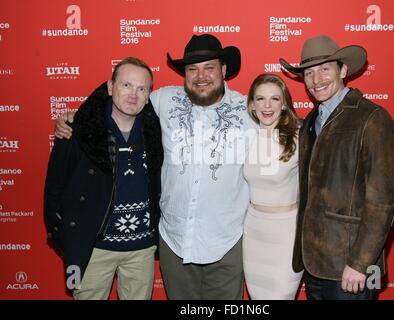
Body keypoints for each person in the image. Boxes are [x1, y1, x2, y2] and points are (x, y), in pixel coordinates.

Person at [55, 34, 257, 300]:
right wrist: (76, 118)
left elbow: (283, 123)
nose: (201, 76)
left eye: (209, 68)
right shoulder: (164, 100)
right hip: (174, 242)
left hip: (227, 241)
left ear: (224, 70)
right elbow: (123, 96)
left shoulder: (248, 110)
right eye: (192, 69)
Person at [279, 35, 394, 300]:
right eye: (309, 73)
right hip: (315, 263)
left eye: (325, 69)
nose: (316, 79)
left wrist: (360, 263)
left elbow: (383, 202)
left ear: (343, 70)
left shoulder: (372, 118)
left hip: (351, 266)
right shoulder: (311, 121)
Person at [45, 57, 163, 300]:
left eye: (142, 89)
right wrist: (66, 240)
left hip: (141, 251)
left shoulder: (157, 132)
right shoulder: (78, 131)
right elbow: (53, 190)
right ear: (110, 87)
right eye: (126, 85)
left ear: (149, 95)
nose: (133, 94)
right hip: (91, 250)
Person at [243, 74, 303, 299]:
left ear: (284, 103)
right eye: (260, 99)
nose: (267, 106)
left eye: (275, 99)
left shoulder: (298, 138)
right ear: (252, 104)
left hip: (286, 235)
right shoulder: (246, 137)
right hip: (253, 231)